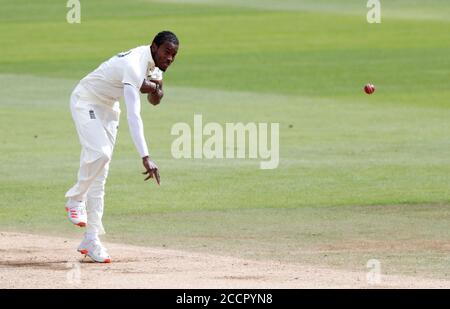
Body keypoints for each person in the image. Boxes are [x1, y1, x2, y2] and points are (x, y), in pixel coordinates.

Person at [64, 31, 179, 263]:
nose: (170, 58)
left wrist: (156, 88)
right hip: (86, 100)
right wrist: (145, 156)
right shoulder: (134, 65)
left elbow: (154, 100)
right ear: (154, 46)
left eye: (174, 55)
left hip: (108, 109)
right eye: (166, 52)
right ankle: (75, 198)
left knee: (100, 176)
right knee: (101, 154)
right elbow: (134, 115)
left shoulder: (155, 67)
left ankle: (91, 240)